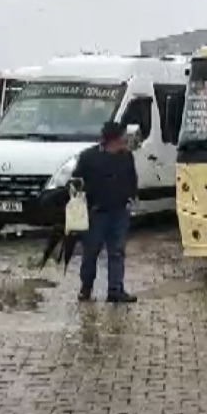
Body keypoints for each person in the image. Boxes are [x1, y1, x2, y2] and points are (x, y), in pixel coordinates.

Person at [72, 121, 139, 304]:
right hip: (96, 213)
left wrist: (131, 197)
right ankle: (86, 288)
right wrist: (79, 202)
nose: (126, 141)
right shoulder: (89, 157)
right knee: (91, 252)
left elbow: (132, 179)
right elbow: (76, 181)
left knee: (117, 252)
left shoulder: (126, 157)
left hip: (119, 212)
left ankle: (115, 290)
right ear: (114, 140)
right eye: (123, 137)